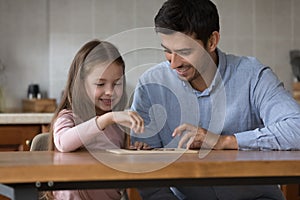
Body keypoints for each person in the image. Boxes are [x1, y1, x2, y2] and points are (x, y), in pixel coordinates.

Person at [130, 0, 300, 199]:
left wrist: (225, 141)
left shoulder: (252, 75)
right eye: (167, 50)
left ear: (212, 41)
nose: (174, 63)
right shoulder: (150, 85)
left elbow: (296, 128)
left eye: (184, 52)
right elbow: (146, 172)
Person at [46, 39, 144, 200]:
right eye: (100, 84)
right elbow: (63, 143)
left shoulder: (117, 126)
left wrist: (134, 149)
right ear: (81, 83)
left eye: (117, 84)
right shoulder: (68, 117)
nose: (110, 92)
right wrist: (106, 119)